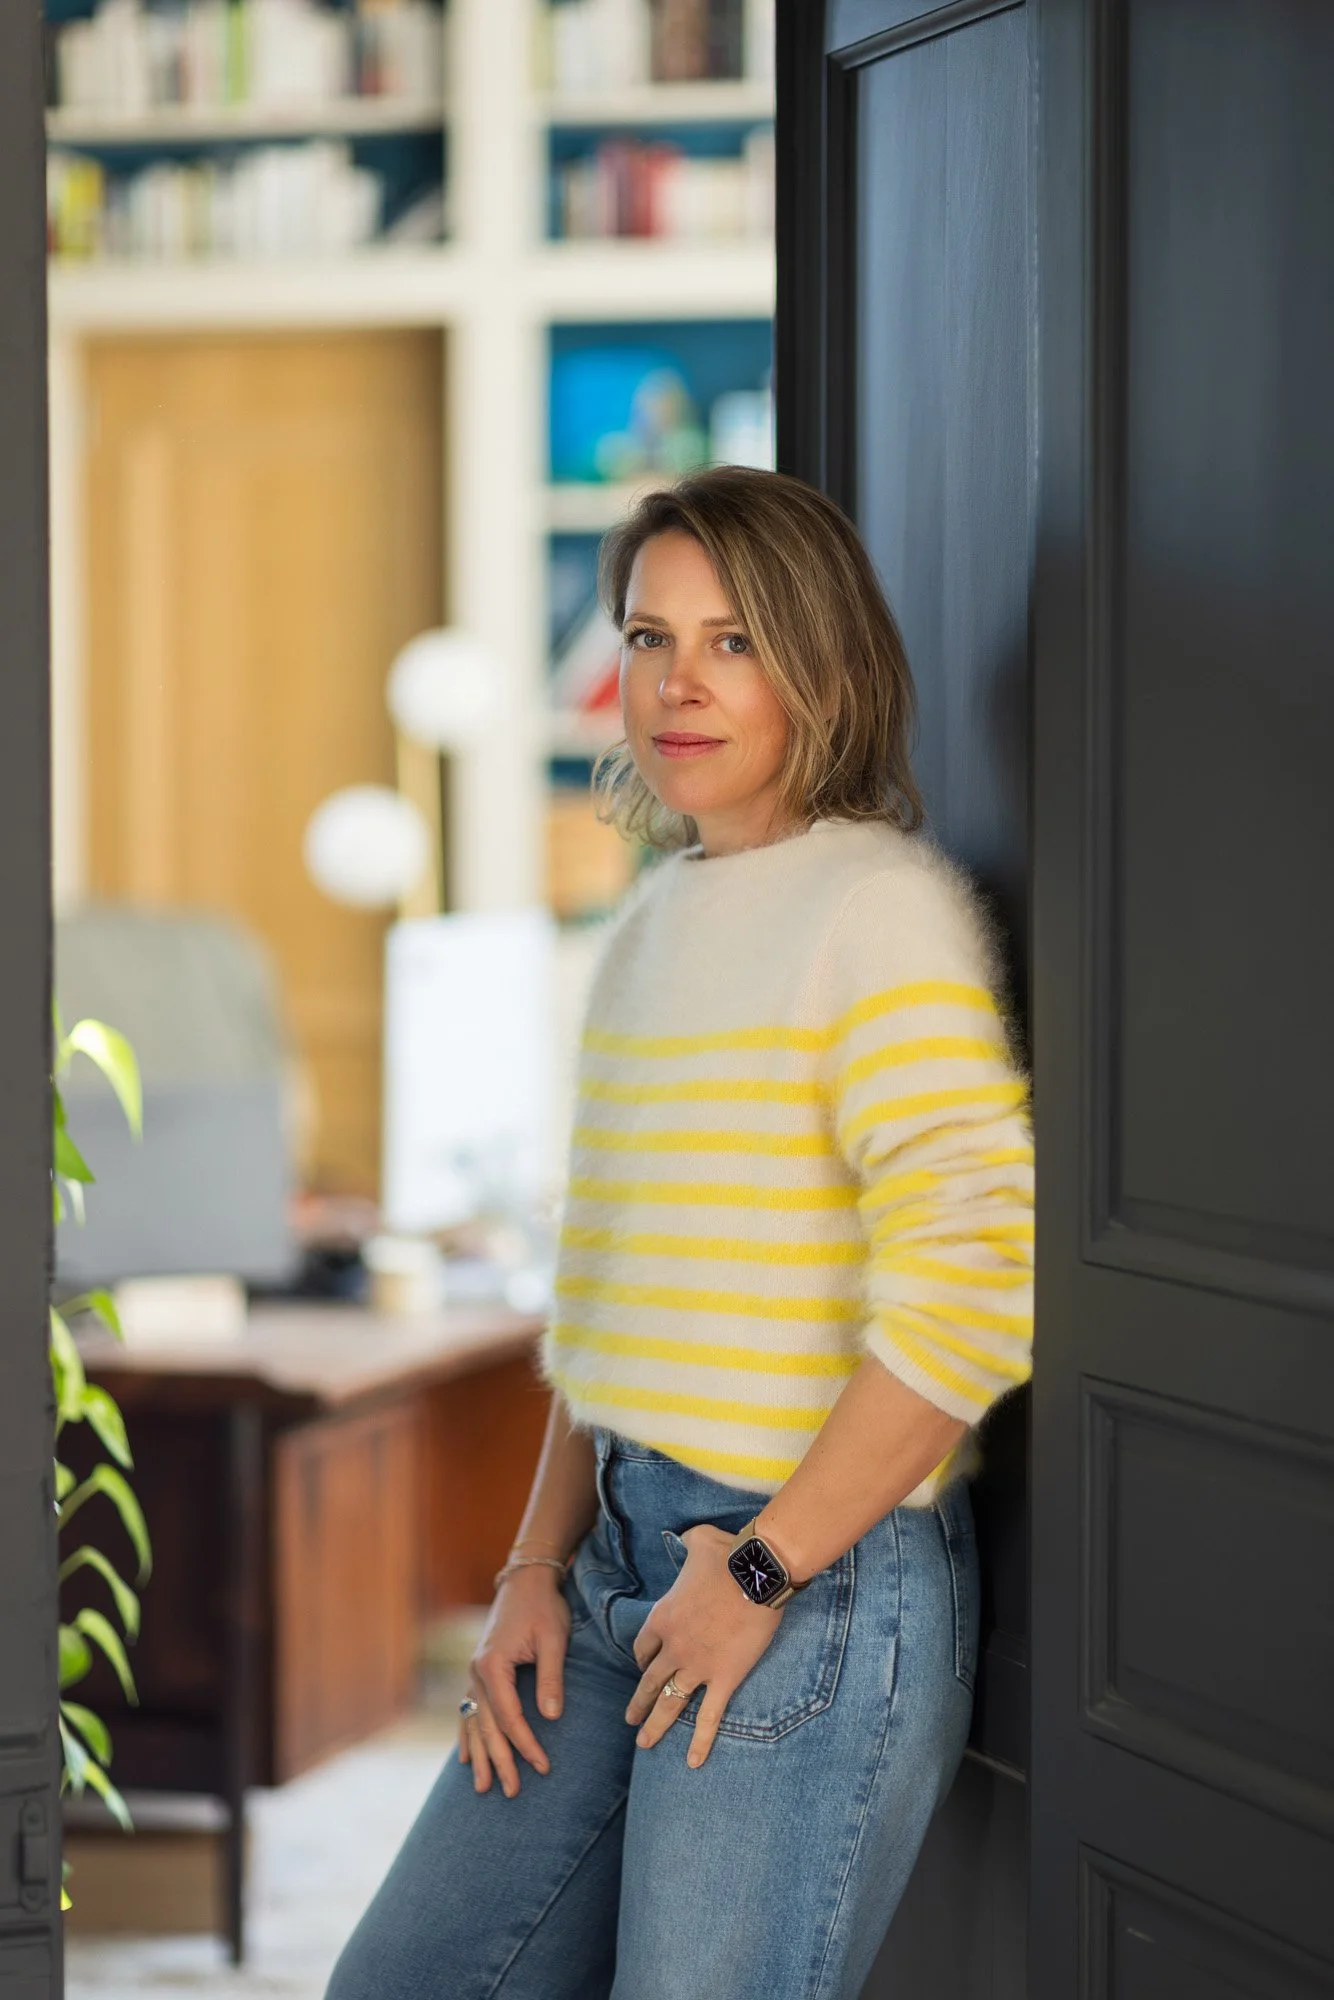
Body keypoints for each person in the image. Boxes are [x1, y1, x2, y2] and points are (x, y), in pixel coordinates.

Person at [326, 466, 1034, 2000]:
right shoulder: (651, 922)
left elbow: (973, 1292)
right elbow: (610, 1302)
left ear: (821, 666)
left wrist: (763, 1573)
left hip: (805, 1577)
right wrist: (531, 1566)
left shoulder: (878, 914)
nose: (678, 685)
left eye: (734, 641)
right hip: (609, 1560)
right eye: (651, 638)